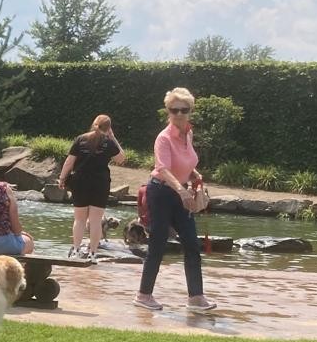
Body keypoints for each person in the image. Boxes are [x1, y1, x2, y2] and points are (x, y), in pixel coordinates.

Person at [135, 87, 215, 313]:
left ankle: (196, 297)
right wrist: (181, 190)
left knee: (192, 243)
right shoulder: (163, 138)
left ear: (191, 110)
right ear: (168, 111)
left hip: (181, 192)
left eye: (184, 110)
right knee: (158, 243)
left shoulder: (188, 134)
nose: (179, 114)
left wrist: (194, 174)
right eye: (174, 110)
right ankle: (143, 295)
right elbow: (162, 168)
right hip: (161, 193)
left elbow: (185, 162)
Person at [57, 115, 125, 258]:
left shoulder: (81, 139)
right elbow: (121, 159)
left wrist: (62, 178)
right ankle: (93, 254)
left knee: (79, 219)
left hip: (80, 182)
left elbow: (69, 161)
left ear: (94, 124)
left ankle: (76, 251)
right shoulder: (108, 142)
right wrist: (113, 138)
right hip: (100, 183)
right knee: (95, 220)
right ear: (109, 128)